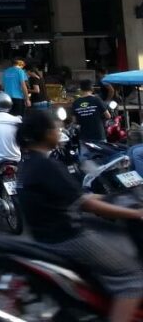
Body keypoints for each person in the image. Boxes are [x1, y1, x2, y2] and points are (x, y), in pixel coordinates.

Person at [17, 109, 143, 322]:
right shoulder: (47, 165)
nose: (60, 132)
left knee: (115, 240)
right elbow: (86, 204)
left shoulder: (29, 163)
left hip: (48, 234)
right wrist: (135, 213)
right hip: (67, 237)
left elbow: (77, 196)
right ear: (45, 133)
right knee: (132, 278)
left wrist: (114, 197)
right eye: (56, 128)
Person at [72, 78, 110, 155]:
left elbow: (74, 121)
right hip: (99, 135)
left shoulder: (76, 102)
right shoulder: (96, 99)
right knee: (103, 158)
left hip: (84, 136)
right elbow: (108, 116)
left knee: (85, 161)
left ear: (81, 89)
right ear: (91, 88)